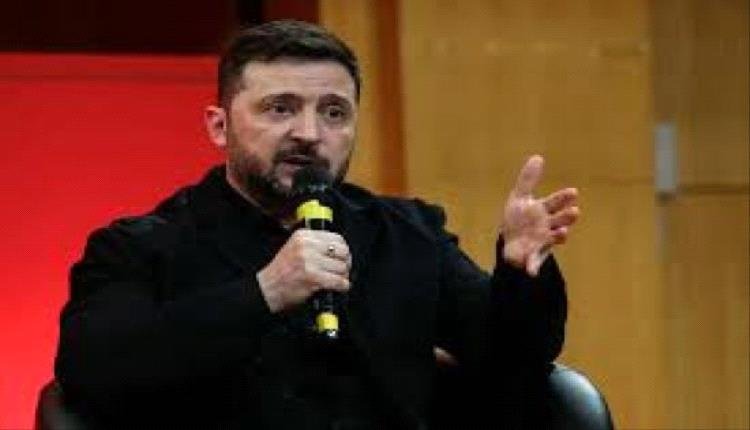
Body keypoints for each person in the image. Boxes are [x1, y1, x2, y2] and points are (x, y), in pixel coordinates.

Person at [55, 20, 579, 429]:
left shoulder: (408, 234)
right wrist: (264, 293)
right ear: (219, 126)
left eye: (333, 113)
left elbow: (514, 360)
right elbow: (93, 372)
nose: (309, 133)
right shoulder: (139, 247)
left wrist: (519, 273)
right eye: (280, 108)